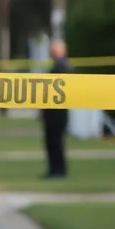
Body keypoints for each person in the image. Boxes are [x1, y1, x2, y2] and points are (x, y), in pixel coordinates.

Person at [41, 39, 71, 178]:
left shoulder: (62, 67)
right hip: (53, 114)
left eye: (53, 50)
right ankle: (54, 170)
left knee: (56, 143)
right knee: (53, 143)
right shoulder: (59, 66)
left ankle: (58, 171)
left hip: (57, 114)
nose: (51, 52)